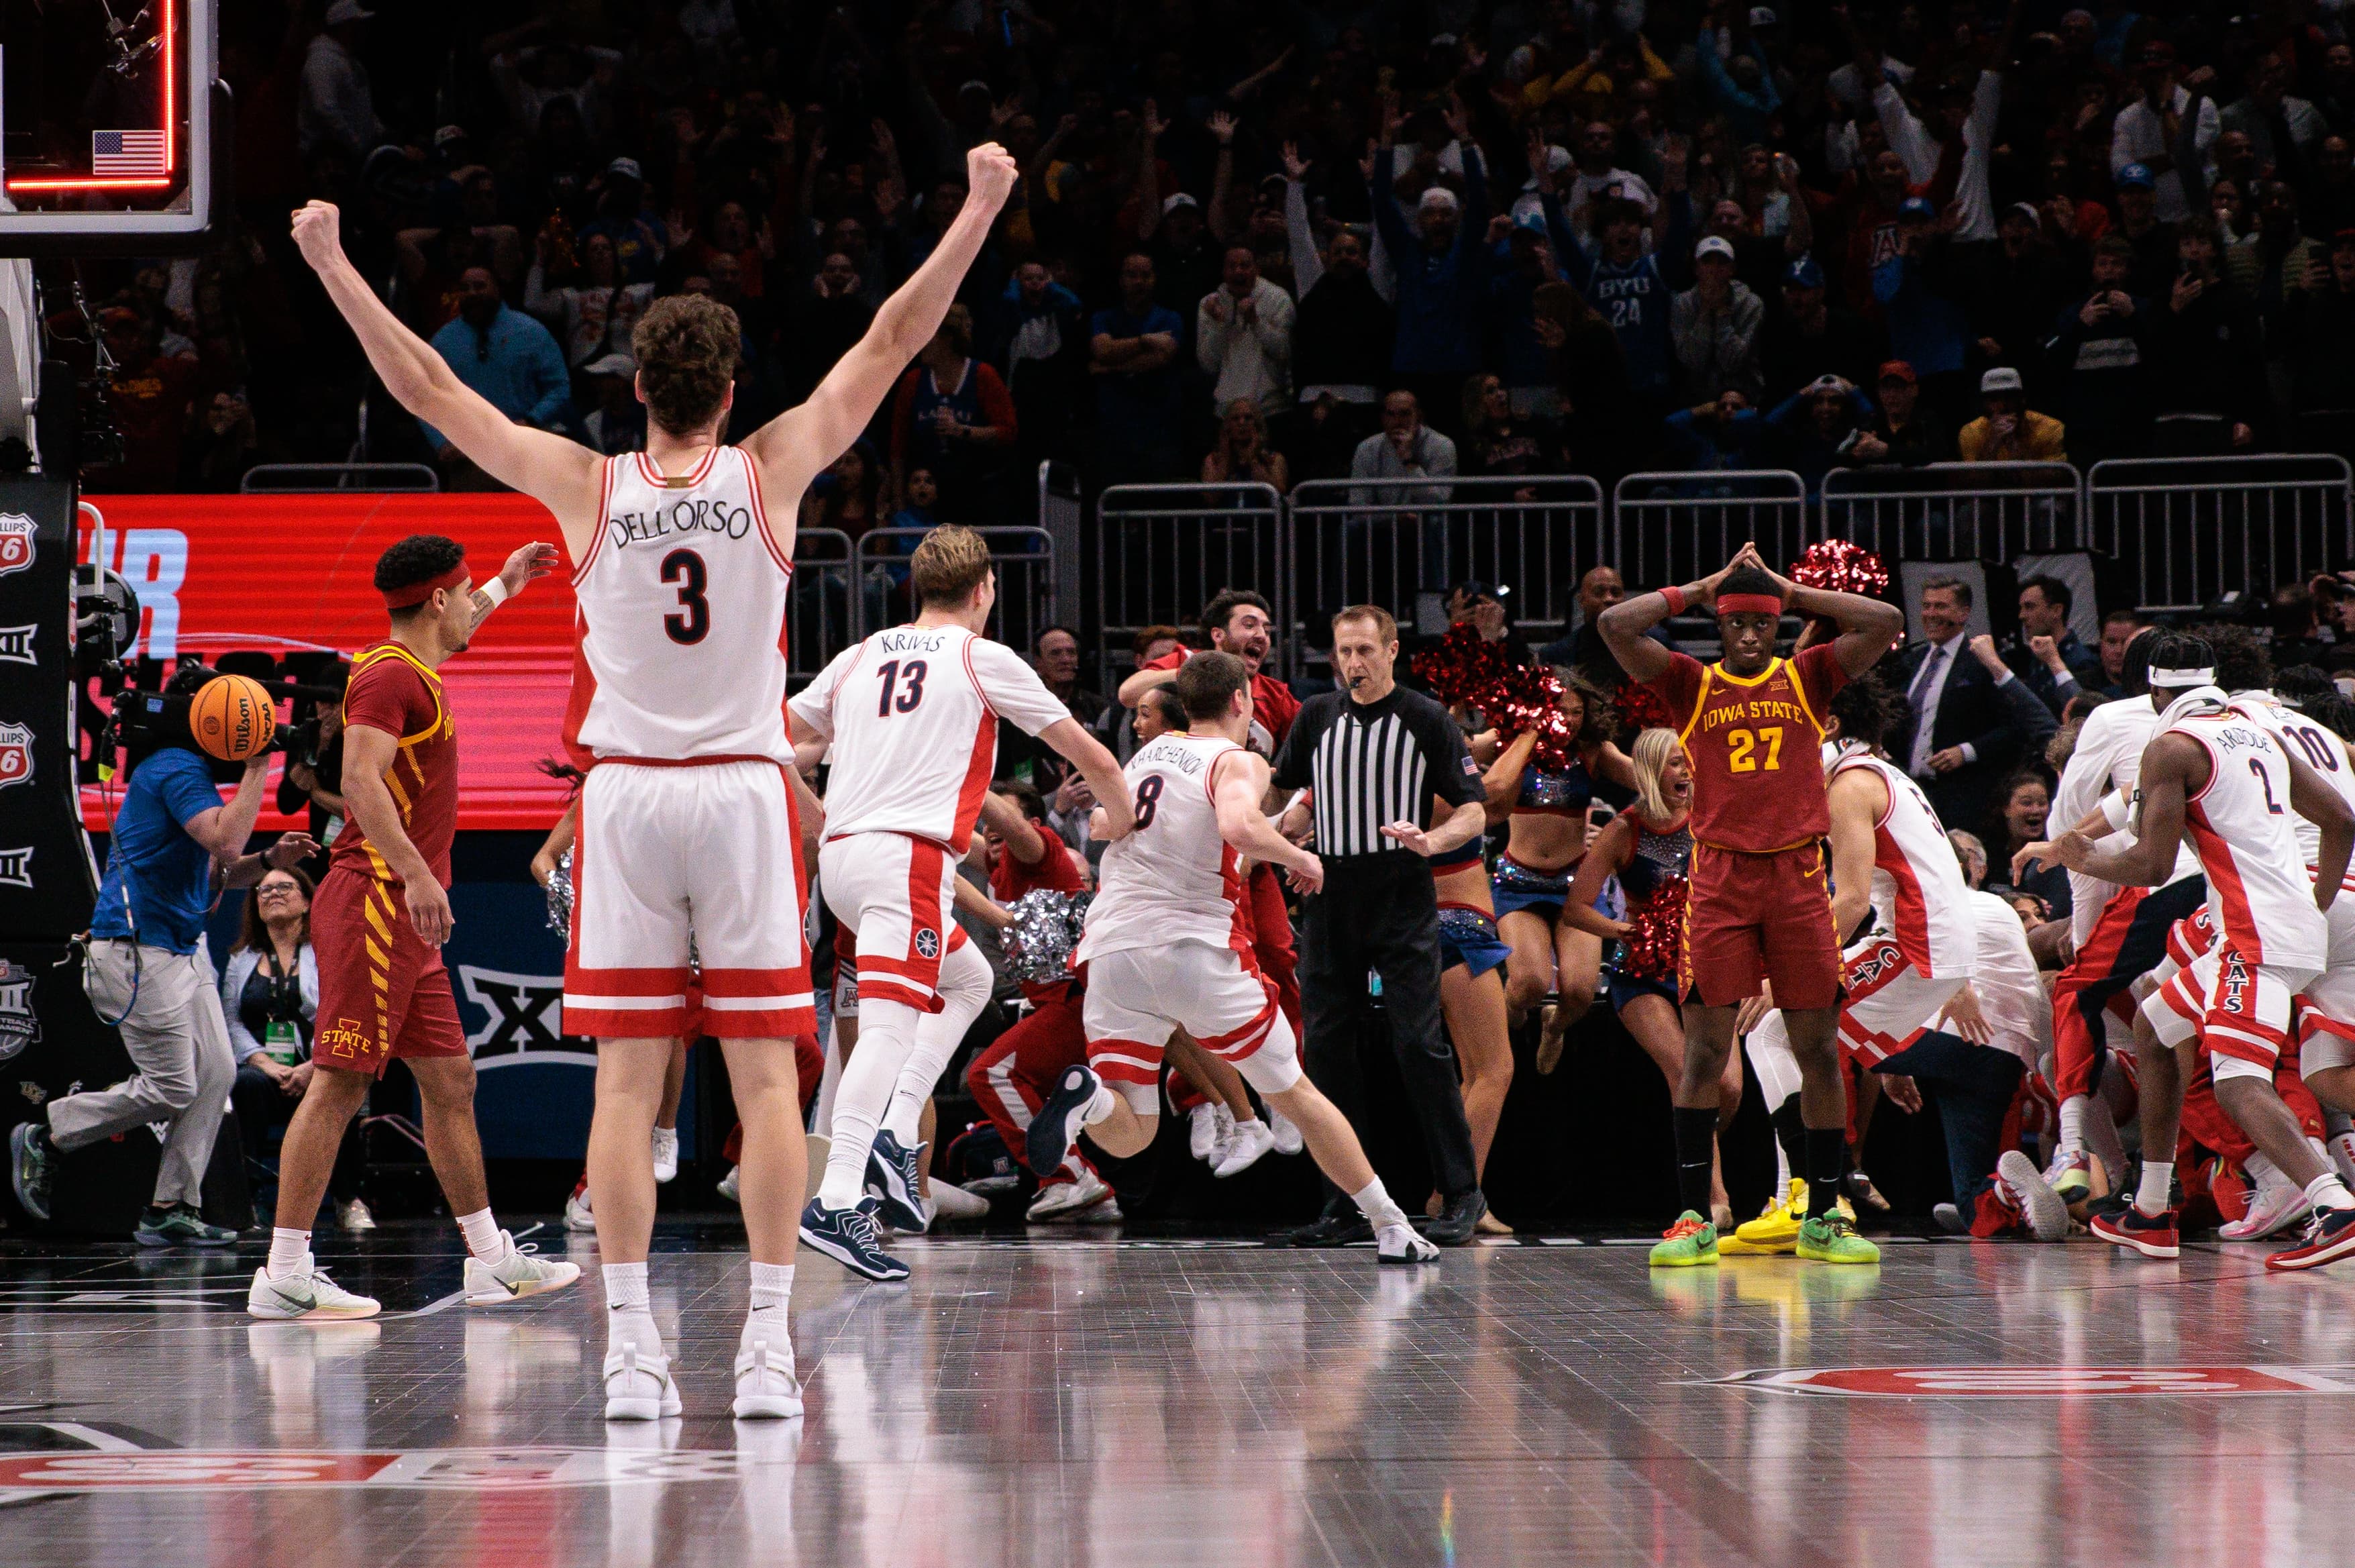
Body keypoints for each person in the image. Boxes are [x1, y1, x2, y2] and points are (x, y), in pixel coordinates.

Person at [288, 150, 1024, 1420]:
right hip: (740, 792)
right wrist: (979, 206)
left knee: (627, 1085)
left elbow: (425, 385)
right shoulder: (771, 468)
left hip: (626, 797)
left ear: (635, 388)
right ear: (731, 394)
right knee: (765, 1078)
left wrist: (331, 260)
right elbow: (896, 336)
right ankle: (764, 1353)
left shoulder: (586, 486)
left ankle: (632, 1353)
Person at [214, 533, 569, 1328]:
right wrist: (416, 874)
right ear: (437, 599)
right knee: (341, 1083)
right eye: (467, 593)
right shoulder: (386, 676)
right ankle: (284, 1274)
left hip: (400, 913)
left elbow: (463, 626)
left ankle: (491, 1260)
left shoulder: (416, 665)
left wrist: (506, 585)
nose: (473, 605)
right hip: (376, 899)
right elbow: (358, 780)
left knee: (451, 1082)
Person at [790, 525, 1133, 1283]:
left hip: (846, 863)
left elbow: (776, 742)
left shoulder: (858, 655)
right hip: (904, 861)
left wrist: (819, 817)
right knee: (887, 1029)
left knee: (969, 978)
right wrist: (1125, 826)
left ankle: (888, 1138)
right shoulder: (982, 658)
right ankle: (837, 1197)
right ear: (984, 590)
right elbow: (1092, 757)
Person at [1030, 653, 1440, 1265]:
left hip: (1112, 951)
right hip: (1193, 950)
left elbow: (1105, 823)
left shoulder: (1148, 755)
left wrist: (1272, 830)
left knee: (1132, 1131)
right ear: (1242, 701)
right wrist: (1301, 858)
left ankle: (1087, 1098)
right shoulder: (1235, 758)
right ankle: (1391, 1224)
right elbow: (1239, 825)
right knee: (1299, 1096)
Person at [1598, 544, 1906, 1267]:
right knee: (1705, 1052)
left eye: (1760, 623)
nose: (1747, 635)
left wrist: (1794, 592)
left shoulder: (1808, 675)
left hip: (1797, 879)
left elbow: (1886, 620)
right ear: (1721, 625)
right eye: (1735, 622)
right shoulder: (1690, 684)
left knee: (1818, 1049)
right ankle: (1692, 1216)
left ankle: (1823, 1215)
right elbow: (1615, 625)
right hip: (1721, 882)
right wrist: (1702, 585)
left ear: (1775, 627)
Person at [2022, 633, 2355, 1269]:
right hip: (2292, 921)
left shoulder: (2171, 745)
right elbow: (2341, 818)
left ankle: (2332, 1203)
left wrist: (2083, 858)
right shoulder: (2260, 729)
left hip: (2253, 932)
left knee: (2238, 1082)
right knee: (2156, 1023)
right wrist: (2312, 903)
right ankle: (2151, 1208)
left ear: (2153, 690)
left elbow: (2151, 864)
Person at [1745, 678, 2071, 1251]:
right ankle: (1818, 1195)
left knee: (1773, 1030)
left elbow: (1850, 901)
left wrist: (1787, 972)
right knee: (1798, 1036)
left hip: (1916, 946)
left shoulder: (1849, 786)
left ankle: (1807, 1196)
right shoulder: (1884, 775)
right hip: (1941, 958)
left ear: (1829, 725)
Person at [11, 672, 317, 1246]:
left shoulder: (185, 773)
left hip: (179, 948)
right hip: (137, 949)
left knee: (219, 1071)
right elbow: (226, 841)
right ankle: (48, 1135)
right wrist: (258, 766)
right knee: (174, 1087)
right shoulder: (175, 767)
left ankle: (171, 1203)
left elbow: (221, 870)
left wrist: (270, 858)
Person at [1273, 607, 1492, 1245]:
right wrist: (1281, 837)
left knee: (1419, 1043)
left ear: (1392, 650)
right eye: (1344, 651)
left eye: (1366, 649)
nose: (1354, 663)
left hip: (1401, 888)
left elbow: (1475, 811)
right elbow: (1282, 791)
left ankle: (1462, 1191)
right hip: (1331, 890)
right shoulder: (1316, 715)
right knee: (1326, 1048)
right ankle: (1345, 1204)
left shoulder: (1426, 717)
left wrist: (1432, 840)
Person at [1563, 731, 1745, 1229]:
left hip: (1705, 962)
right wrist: (1629, 930)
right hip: (1642, 973)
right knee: (1688, 1070)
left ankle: (1693, 1153)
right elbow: (1577, 908)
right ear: (1649, 771)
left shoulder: (1710, 817)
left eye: (1688, 762)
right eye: (1674, 764)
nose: (1686, 772)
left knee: (1729, 1087)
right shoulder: (1624, 829)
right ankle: (1715, 1198)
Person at [960, 786, 1119, 1222]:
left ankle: (1068, 1176)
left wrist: (968, 775)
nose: (991, 828)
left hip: (1078, 999)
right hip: (1062, 1003)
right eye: (986, 824)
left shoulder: (1041, 849)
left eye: (1000, 818)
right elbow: (951, 842)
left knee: (993, 1073)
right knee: (1009, 1076)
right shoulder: (1001, 868)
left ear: (1030, 822)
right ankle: (1082, 1188)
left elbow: (1008, 826)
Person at [1480, 678, 1633, 1066]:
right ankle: (1513, 1013)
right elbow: (1462, 750)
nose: (1569, 719)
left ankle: (1554, 1027)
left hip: (1574, 887)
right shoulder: (1512, 741)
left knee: (1581, 992)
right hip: (1519, 884)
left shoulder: (1593, 750)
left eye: (1577, 712)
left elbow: (1644, 775)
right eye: (1560, 710)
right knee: (1529, 983)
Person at [222, 868, 372, 1233]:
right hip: (264, 1069)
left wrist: (314, 1066)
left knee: (338, 1084)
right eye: (264, 889)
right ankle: (249, 1201)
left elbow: (343, 1010)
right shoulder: (241, 958)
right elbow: (231, 1020)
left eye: (284, 887)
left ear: (306, 902)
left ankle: (348, 1199)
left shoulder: (327, 949)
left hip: (321, 1062)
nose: (272, 893)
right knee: (247, 1084)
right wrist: (265, 1063)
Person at [1893, 579, 2040, 837]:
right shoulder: (1910, 661)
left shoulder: (1985, 662)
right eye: (1927, 606)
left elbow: (2015, 728)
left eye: (1941, 606)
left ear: (1963, 613)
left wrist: (1967, 752)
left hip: (1965, 799)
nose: (1931, 614)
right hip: (1912, 794)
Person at [422, 268, 576, 480]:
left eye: (480, 286)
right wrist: (441, 442)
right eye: (465, 288)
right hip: (470, 454)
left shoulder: (531, 332)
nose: (472, 293)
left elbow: (559, 388)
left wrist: (532, 420)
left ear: (497, 289)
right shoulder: (443, 341)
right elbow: (426, 396)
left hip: (528, 446)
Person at [1195, 245, 1294, 417]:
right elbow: (1208, 364)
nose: (1238, 271)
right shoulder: (1209, 304)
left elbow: (1285, 352)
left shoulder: (1279, 299)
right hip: (1226, 411)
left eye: (1245, 266)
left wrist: (1256, 322)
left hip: (1271, 408)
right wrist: (1220, 325)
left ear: (1257, 269)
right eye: (1232, 266)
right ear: (1223, 271)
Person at [2007, 574, 2104, 715]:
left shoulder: (2082, 661)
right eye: (2021, 608)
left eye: (2030, 607)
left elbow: (2084, 714)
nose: (2021, 616)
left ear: (2056, 611)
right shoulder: (2036, 659)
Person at [1956, 367, 2065, 462]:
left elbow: (2054, 477)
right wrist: (1992, 445)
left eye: (2009, 398)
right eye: (1994, 400)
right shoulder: (1971, 432)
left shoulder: (2051, 428)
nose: (2002, 406)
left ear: (2022, 399)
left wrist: (2016, 449)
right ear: (1984, 404)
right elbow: (1973, 479)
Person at [1201, 397, 1291, 492]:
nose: (1242, 423)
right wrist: (1225, 460)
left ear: (1257, 424)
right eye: (1235, 419)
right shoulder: (1212, 460)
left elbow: (1277, 494)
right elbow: (1210, 497)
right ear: (1227, 425)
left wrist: (1253, 459)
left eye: (1248, 418)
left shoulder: (1273, 459)